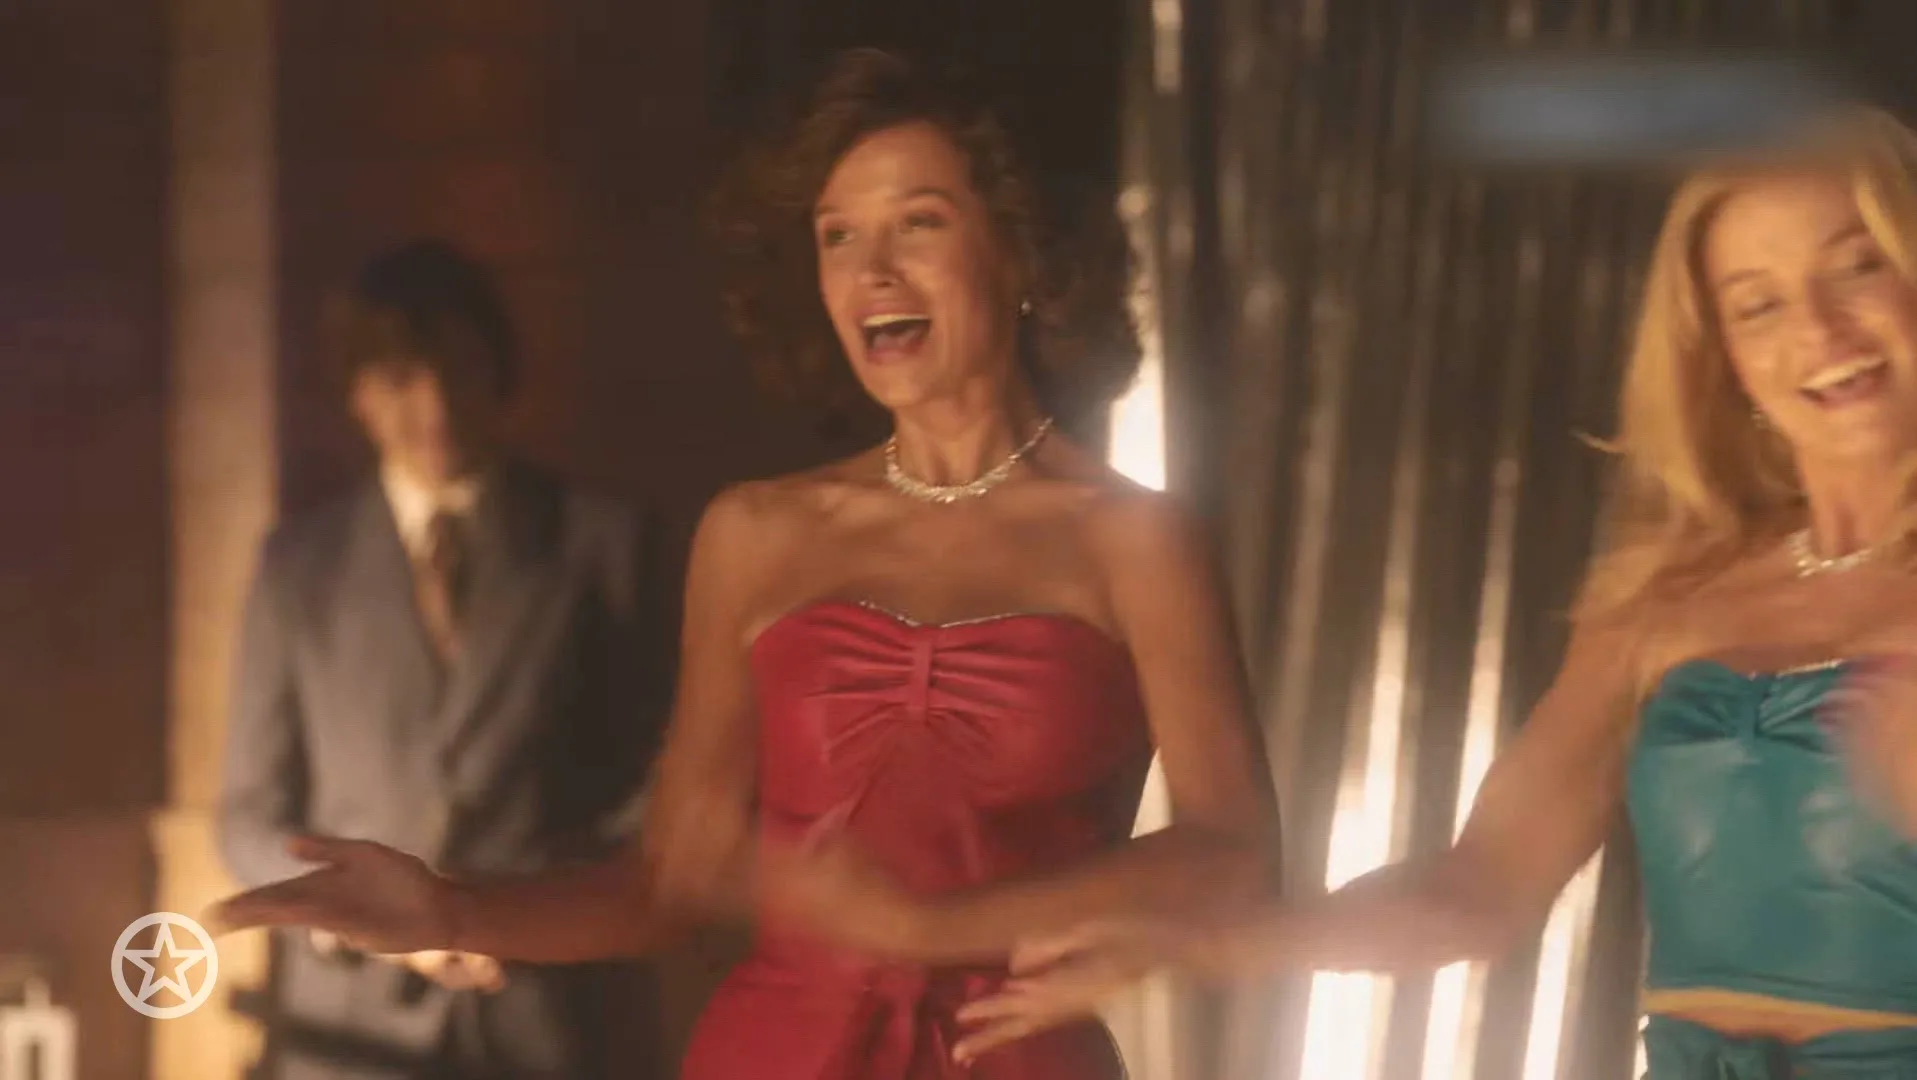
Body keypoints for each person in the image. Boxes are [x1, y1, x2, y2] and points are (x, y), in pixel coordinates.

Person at [205, 49, 1281, 1080]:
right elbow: (669, 882)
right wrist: (456, 908)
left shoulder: (1136, 540)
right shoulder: (756, 534)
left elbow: (1233, 858)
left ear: (1020, 252)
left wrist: (942, 927)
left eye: (919, 223)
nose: (872, 271)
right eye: (837, 236)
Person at [948, 107, 1917, 1077]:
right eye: (1759, 305)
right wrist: (1196, 943)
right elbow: (1477, 891)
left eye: (1856, 268)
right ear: (1726, 361)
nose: (1819, 330)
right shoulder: (1666, 603)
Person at [217, 239, 675, 1080]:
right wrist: (355, 914)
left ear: (498, 374)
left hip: (549, 1017)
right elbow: (247, 812)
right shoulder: (299, 567)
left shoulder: (602, 544)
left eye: (457, 372)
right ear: (359, 395)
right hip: (348, 1032)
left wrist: (507, 914)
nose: (433, 407)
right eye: (400, 380)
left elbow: (659, 785)